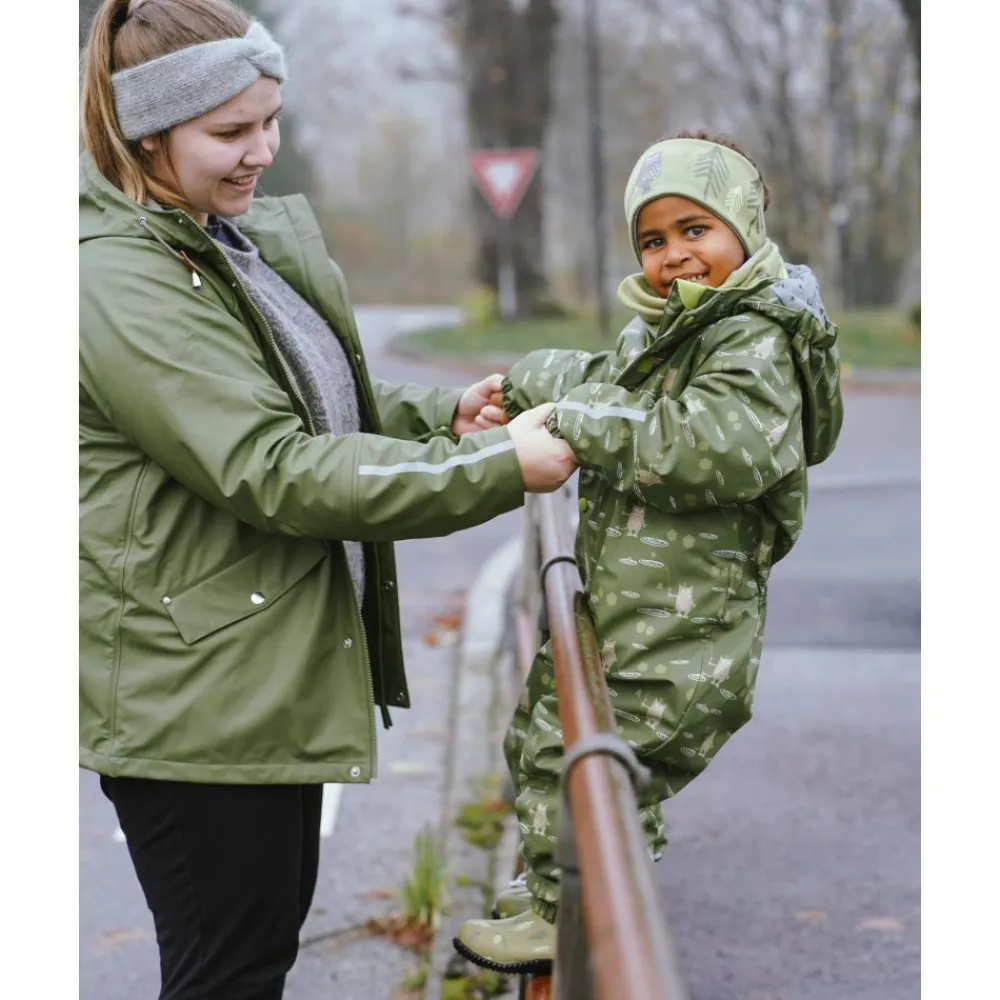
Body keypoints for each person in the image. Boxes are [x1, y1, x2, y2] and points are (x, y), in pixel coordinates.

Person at [79, 1, 577, 997]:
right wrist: (494, 469)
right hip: (198, 706)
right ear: (145, 131)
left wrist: (447, 416)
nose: (263, 150)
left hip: (248, 672)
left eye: (269, 119)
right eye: (230, 131)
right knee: (228, 972)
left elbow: (311, 393)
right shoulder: (119, 279)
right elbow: (275, 465)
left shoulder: (211, 239)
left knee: (250, 961)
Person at [454, 130, 845, 972]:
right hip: (638, 610)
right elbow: (613, 377)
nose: (675, 256)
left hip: (688, 630)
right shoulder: (678, 327)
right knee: (546, 731)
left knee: (588, 760)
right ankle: (559, 896)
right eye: (653, 240)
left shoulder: (754, 340)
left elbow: (716, 442)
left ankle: (571, 919)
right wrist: (537, 378)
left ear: (744, 224)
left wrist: (575, 423)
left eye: (695, 229)